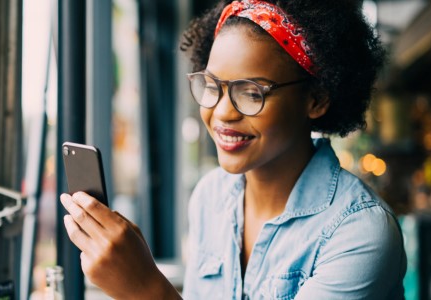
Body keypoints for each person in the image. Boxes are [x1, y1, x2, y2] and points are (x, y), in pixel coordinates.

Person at [60, 0, 407, 299]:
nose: (223, 112)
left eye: (252, 92)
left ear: (316, 99)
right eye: (212, 86)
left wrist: (145, 289)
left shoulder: (360, 232)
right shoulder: (210, 197)